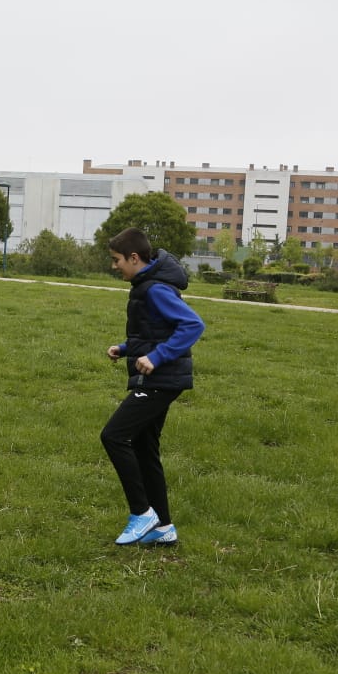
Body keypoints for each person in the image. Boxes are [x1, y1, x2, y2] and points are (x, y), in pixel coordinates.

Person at [101, 228, 205, 547]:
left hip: (162, 380)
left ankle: (141, 513)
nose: (115, 266)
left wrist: (157, 357)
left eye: (117, 260)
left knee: (115, 436)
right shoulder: (146, 286)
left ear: (135, 258)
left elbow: (192, 325)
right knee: (145, 450)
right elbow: (154, 330)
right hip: (160, 377)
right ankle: (163, 527)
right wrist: (127, 348)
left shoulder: (156, 288)